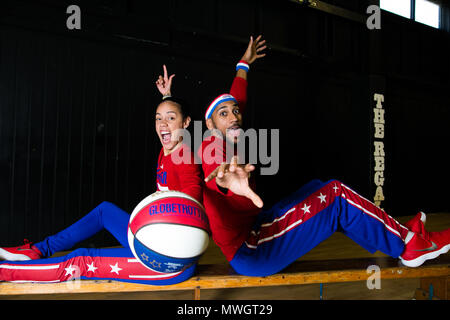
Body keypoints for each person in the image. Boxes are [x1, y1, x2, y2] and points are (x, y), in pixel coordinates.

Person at [196, 36, 450, 275]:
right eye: (224, 114)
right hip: (252, 250)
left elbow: (235, 99)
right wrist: (226, 182)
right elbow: (216, 169)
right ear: (210, 124)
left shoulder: (228, 131)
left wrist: (244, 65)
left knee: (320, 187)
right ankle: (410, 244)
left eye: (235, 112)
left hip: (256, 228)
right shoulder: (212, 143)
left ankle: (401, 233)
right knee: (336, 195)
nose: (233, 117)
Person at [0, 82, 203, 285]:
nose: (163, 124)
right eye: (158, 118)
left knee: (81, 260)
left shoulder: (185, 156)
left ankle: (4, 272)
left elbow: (193, 192)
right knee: (104, 211)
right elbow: (170, 118)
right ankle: (37, 250)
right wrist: (167, 96)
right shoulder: (168, 148)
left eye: (171, 118)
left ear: (185, 123)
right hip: (153, 241)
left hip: (169, 262)